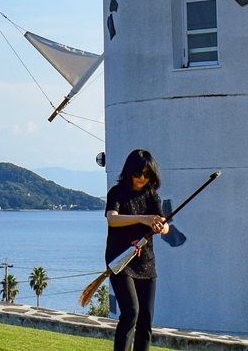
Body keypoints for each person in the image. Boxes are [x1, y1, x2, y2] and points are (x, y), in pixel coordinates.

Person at [104, 149, 169, 351]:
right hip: (121, 260)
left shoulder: (152, 196)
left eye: (146, 174)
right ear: (128, 172)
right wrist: (142, 218)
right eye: (137, 174)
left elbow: (165, 226)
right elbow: (112, 218)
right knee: (131, 312)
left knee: (146, 318)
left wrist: (161, 227)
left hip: (145, 262)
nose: (142, 178)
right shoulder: (117, 193)